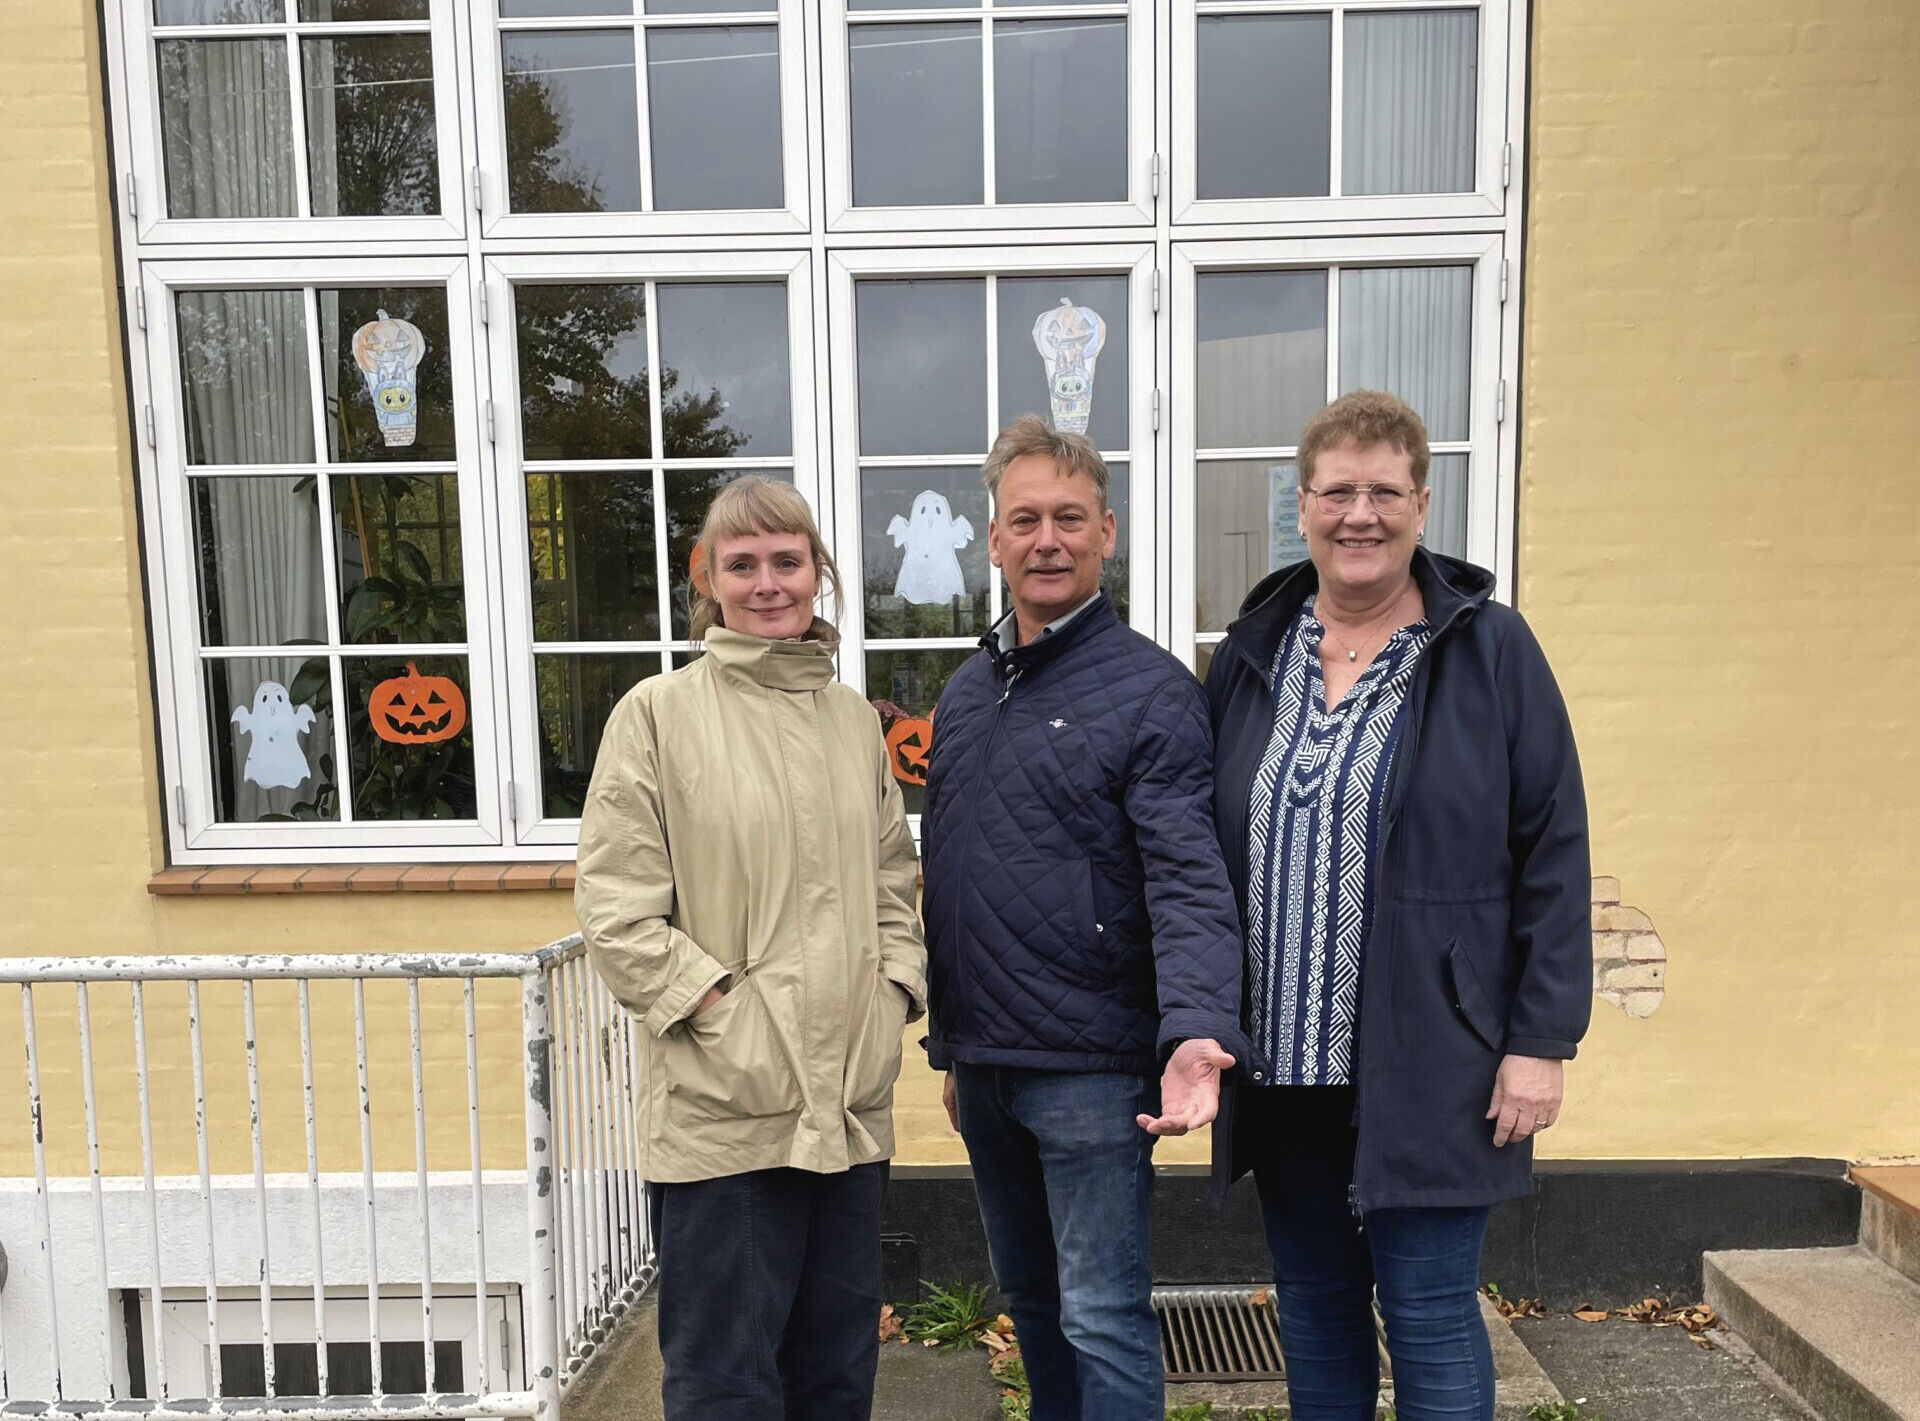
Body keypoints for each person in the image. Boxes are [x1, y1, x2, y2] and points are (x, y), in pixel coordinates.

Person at [1205, 390, 1592, 1421]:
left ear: (1423, 504)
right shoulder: (1253, 652)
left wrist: (1541, 1037)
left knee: (1427, 1313)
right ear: (1303, 505)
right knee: (1320, 1313)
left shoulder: (1489, 649)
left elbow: (1553, 846)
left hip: (1439, 1061)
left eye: (1385, 490)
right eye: (1339, 490)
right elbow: (1200, 846)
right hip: (1285, 1066)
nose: (1359, 513)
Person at [575, 476, 926, 1421]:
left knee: (835, 1373)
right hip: (723, 1112)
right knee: (726, 1381)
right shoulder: (656, 715)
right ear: (710, 580)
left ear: (819, 574)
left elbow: (894, 876)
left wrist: (891, 996)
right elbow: (616, 910)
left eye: (787, 559)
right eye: (743, 563)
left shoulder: (855, 724)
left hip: (848, 1105)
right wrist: (721, 1017)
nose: (767, 582)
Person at [920, 415, 1247, 1421]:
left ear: (1107, 531)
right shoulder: (968, 693)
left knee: (1102, 1310)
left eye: (1069, 517)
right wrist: (951, 1042)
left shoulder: (1152, 692)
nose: (1047, 539)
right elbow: (959, 874)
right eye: (1025, 519)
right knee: (1033, 1303)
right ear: (994, 540)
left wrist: (1197, 1027)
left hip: (1093, 1068)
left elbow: (1187, 871)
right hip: (986, 1063)